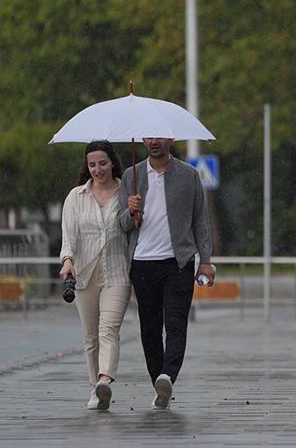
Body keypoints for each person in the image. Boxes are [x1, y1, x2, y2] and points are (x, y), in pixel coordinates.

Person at [118, 137, 214, 409]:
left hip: (178, 262)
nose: (154, 141)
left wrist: (205, 260)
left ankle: (167, 375)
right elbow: (120, 223)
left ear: (171, 139)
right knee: (149, 328)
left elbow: (200, 221)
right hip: (142, 262)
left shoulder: (189, 175)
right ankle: (158, 382)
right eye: (149, 136)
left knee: (175, 323)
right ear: (144, 140)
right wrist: (131, 211)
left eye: (160, 136)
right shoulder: (131, 176)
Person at [59, 141, 131, 411]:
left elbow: (134, 228)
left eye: (102, 163)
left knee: (108, 330)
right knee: (90, 337)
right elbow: (69, 237)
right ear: (86, 166)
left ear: (112, 162)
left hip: (117, 273)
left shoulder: (126, 192)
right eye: (92, 164)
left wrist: (135, 210)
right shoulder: (76, 197)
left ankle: (105, 381)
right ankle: (95, 388)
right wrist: (67, 261)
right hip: (84, 275)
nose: (98, 169)